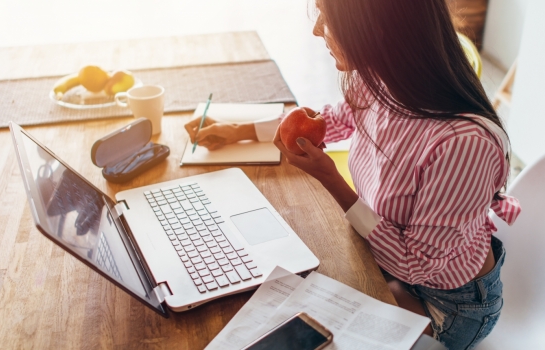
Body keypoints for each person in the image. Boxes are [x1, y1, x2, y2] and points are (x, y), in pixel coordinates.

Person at [184, 0, 521, 348]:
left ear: (373, 29)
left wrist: (332, 180)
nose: (317, 30)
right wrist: (239, 129)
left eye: (326, 18)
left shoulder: (463, 144)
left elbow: (416, 266)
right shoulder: (380, 79)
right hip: (386, 265)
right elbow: (333, 119)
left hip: (445, 304)